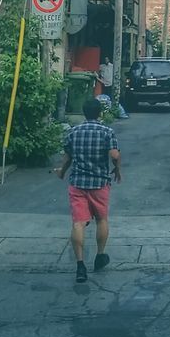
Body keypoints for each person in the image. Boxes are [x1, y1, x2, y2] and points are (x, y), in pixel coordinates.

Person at [55, 97, 121, 283]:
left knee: (78, 223)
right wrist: (118, 168)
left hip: (78, 183)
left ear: (84, 113)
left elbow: (68, 157)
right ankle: (100, 255)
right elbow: (114, 155)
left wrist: (61, 172)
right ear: (100, 113)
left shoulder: (73, 132)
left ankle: (80, 265)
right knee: (101, 219)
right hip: (99, 183)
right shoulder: (107, 132)